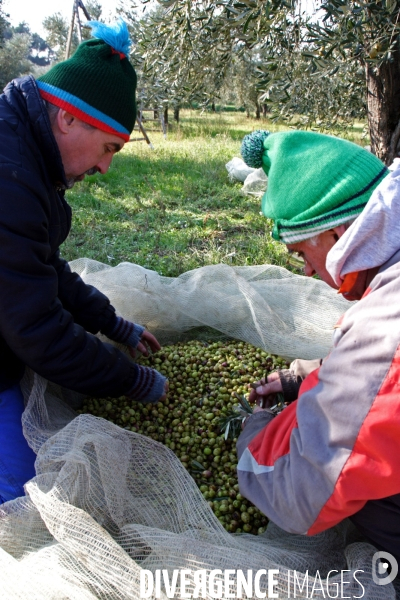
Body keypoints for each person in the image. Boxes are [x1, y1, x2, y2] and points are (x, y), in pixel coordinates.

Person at [0, 20, 167, 505]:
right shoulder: (9, 176)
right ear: (68, 118)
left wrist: (115, 326)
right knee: (19, 495)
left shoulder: (28, 154)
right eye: (109, 148)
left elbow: (41, 268)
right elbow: (36, 329)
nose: (105, 167)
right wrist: (132, 380)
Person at [237, 129, 400, 564]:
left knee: (366, 493)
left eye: (302, 254)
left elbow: (299, 496)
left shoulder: (388, 320)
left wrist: (252, 431)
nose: (307, 273)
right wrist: (312, 375)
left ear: (339, 232)